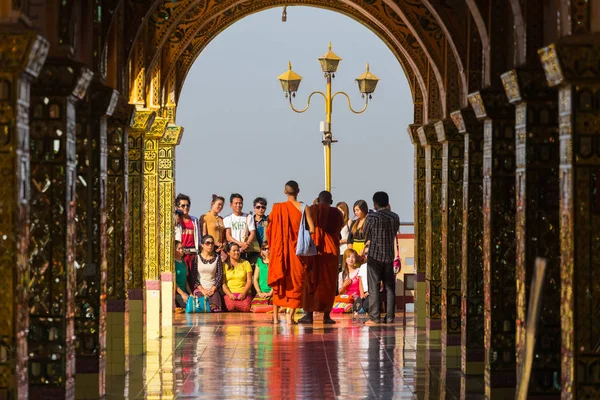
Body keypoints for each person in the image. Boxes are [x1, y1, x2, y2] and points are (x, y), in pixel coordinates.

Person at [266, 180, 314, 324]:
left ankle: (275, 318)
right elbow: (312, 229)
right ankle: (290, 317)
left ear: (284, 192)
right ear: (298, 191)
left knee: (279, 282)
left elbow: (269, 230)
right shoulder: (304, 207)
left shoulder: (277, 208)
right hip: (297, 252)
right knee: (295, 282)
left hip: (280, 252)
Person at [298, 190, 344, 324]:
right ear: (331, 201)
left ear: (318, 200)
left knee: (310, 282)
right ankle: (326, 316)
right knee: (328, 285)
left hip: (313, 251)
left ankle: (308, 315)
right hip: (330, 253)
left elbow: (306, 227)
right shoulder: (336, 213)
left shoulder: (311, 210)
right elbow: (338, 229)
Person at [363, 191, 400, 325]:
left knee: (374, 287)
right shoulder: (395, 217)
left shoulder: (372, 218)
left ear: (375, 203)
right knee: (390, 288)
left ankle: (375, 317)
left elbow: (365, 235)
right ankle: (390, 317)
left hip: (374, 255)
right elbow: (395, 232)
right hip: (389, 255)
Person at [190, 234, 223, 312]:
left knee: (215, 309)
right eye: (207, 243)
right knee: (201, 308)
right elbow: (193, 276)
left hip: (213, 289)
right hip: (200, 289)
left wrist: (213, 289)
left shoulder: (217, 258)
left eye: (212, 243)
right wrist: (202, 290)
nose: (210, 245)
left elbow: (219, 275)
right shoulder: (196, 258)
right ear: (202, 245)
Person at [174, 193, 201, 288]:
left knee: (193, 277)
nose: (186, 207)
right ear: (177, 207)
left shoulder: (194, 220)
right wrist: (176, 215)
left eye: (187, 205)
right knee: (181, 276)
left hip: (193, 252)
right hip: (180, 253)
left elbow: (198, 236)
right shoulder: (175, 220)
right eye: (183, 205)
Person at [223, 193, 257, 260]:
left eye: (240, 203)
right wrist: (240, 244)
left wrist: (246, 244)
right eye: (236, 203)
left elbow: (252, 233)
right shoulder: (227, 218)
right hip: (233, 250)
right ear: (231, 205)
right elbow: (228, 236)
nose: (238, 205)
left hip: (246, 251)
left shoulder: (249, 217)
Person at [222, 242, 253, 312]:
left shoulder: (246, 263)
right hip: (230, 294)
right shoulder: (224, 265)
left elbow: (249, 281)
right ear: (228, 253)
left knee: (246, 308)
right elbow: (223, 283)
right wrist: (230, 294)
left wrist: (243, 293)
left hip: (244, 293)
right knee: (230, 307)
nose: (237, 252)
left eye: (238, 250)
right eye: (234, 251)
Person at [331, 248, 361, 314]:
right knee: (333, 306)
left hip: (357, 298)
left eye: (353, 257)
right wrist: (344, 285)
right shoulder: (342, 274)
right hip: (346, 298)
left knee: (349, 307)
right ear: (345, 259)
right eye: (348, 257)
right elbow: (340, 292)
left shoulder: (359, 271)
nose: (351, 259)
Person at [251, 242, 273, 313]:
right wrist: (259, 292)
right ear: (261, 250)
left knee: (275, 305)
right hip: (262, 292)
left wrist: (270, 293)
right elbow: (255, 279)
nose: (267, 251)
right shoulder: (259, 261)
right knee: (254, 306)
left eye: (268, 248)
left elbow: (278, 279)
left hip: (273, 292)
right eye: (264, 249)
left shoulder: (275, 261)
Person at [174, 241, 193, 309]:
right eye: (179, 249)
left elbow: (185, 280)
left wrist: (190, 293)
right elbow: (173, 282)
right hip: (176, 293)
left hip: (184, 292)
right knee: (188, 307)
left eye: (182, 248)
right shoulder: (173, 263)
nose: (181, 250)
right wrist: (182, 294)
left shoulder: (183, 262)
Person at [336, 201, 350, 266]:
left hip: (345, 250)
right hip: (337, 250)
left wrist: (342, 241)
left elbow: (352, 238)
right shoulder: (336, 223)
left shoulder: (349, 222)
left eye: (341, 210)